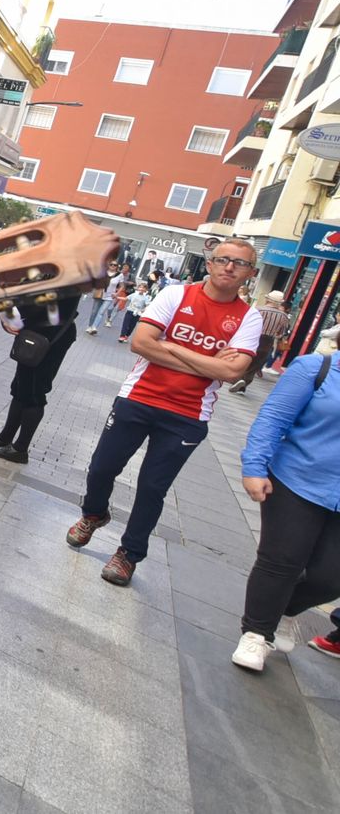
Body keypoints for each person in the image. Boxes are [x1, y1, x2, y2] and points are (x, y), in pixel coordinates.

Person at [65, 240, 262, 586]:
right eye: (223, 260)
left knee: (152, 487)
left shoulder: (249, 317)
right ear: (210, 263)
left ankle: (129, 553)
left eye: (240, 264)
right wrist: (209, 363)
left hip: (188, 414)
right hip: (138, 397)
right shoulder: (176, 296)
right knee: (101, 469)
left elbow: (232, 373)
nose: (229, 267)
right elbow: (141, 343)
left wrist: (168, 345)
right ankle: (94, 514)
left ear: (251, 273)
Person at [231, 352, 338, 671]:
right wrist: (254, 466)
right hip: (296, 480)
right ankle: (256, 633)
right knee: (282, 561)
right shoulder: (317, 369)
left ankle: (287, 609)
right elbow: (273, 419)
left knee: (331, 578)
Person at [0, 294, 82, 463]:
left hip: (50, 335)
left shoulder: (70, 271)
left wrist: (9, 312)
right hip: (39, 331)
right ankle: (5, 437)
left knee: (35, 392)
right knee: (21, 387)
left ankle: (20, 448)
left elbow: (38, 301)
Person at [228, 290, 292, 393]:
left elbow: (246, 323)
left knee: (245, 358)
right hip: (268, 341)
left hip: (252, 337)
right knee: (257, 363)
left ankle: (238, 379)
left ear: (267, 299)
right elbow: (282, 332)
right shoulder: (284, 316)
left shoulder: (257, 310)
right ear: (279, 303)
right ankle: (244, 382)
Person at [85, 262, 121, 334]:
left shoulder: (120, 275)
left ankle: (94, 327)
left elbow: (122, 286)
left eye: (115, 265)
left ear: (117, 266)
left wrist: (117, 293)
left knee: (101, 312)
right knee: (94, 311)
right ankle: (89, 326)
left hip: (109, 296)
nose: (113, 266)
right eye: (111, 264)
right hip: (100, 294)